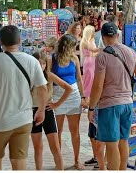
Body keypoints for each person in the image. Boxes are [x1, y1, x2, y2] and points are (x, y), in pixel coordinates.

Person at [0, 25, 48, 170]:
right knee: (19, 161)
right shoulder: (32, 61)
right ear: (20, 40)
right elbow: (43, 88)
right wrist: (41, 110)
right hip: (23, 121)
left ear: (0, 41)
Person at [87, 23, 136, 170]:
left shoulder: (103, 56)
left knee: (111, 144)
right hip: (127, 103)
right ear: (117, 36)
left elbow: (98, 86)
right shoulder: (131, 52)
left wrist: (91, 107)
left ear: (104, 37)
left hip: (110, 105)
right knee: (123, 141)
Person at [47, 34, 86, 170]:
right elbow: (49, 79)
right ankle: (59, 161)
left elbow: (79, 79)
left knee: (74, 131)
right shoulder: (52, 58)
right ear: (67, 46)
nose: (74, 49)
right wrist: (49, 97)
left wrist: (83, 96)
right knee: (57, 130)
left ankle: (76, 159)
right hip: (58, 95)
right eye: (73, 46)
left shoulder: (74, 58)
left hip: (74, 95)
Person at [30, 52, 72, 170]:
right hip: (33, 111)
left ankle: (60, 169)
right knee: (37, 147)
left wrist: (57, 104)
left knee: (55, 146)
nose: (41, 66)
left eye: (43, 64)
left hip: (47, 111)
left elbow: (68, 88)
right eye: (38, 63)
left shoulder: (49, 76)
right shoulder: (29, 77)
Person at [80, 25, 100, 168]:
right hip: (89, 63)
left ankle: (98, 158)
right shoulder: (85, 41)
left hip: (93, 62)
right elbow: (93, 51)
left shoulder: (91, 39)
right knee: (89, 80)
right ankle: (87, 96)